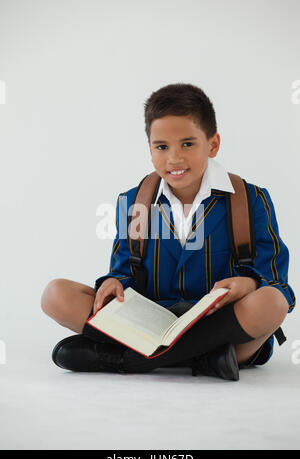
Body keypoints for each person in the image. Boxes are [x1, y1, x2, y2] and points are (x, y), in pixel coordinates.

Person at [41, 83, 296, 381]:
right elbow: (125, 271)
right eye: (162, 146)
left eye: (188, 144)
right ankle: (203, 359)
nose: (174, 158)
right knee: (56, 294)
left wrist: (250, 285)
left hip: (220, 326)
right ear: (150, 149)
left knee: (272, 303)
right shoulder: (134, 201)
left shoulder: (250, 199)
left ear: (212, 144)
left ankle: (127, 361)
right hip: (150, 322)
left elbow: (280, 287)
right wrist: (113, 281)